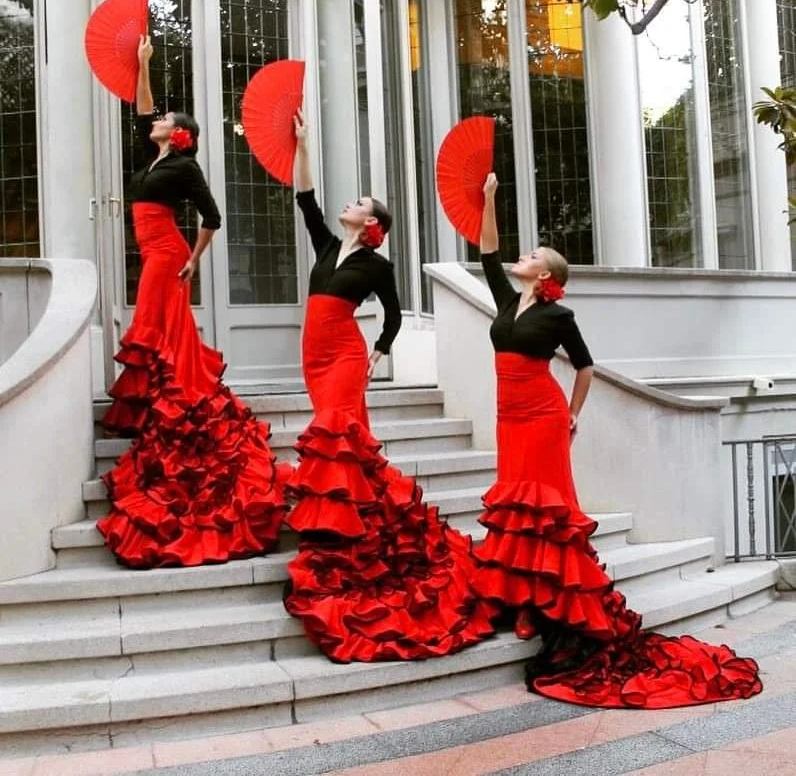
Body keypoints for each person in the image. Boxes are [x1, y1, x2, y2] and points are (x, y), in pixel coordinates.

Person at [472, 172, 762, 709]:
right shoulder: (506, 301)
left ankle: (543, 605)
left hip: (543, 416)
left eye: (533, 253)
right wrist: (489, 199)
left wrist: (574, 415)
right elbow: (487, 250)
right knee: (514, 505)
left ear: (547, 273)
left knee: (547, 508)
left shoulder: (560, 315)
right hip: (507, 416)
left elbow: (584, 367)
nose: (522, 255)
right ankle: (521, 599)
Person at [282, 110, 496, 662]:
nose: (348, 203)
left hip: (347, 357)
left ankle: (337, 531)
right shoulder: (329, 247)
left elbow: (395, 316)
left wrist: (378, 354)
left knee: (334, 429)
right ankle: (357, 513)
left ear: (371, 221)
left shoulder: (377, 265)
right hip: (314, 353)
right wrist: (303, 143)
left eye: (359, 201)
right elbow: (304, 197)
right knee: (343, 436)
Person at [97, 35, 290, 569]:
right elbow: (142, 109)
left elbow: (213, 218)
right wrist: (141, 63)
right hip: (153, 252)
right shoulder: (157, 157)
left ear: (180, 134)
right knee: (158, 330)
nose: (155, 123)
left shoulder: (184, 168)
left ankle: (177, 407)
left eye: (166, 121)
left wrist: (194, 259)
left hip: (166, 254)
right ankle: (166, 407)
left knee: (156, 330)